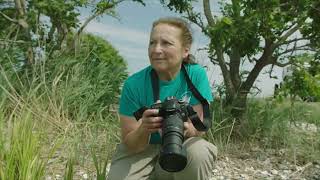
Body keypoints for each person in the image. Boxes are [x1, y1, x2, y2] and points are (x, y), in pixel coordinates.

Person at [107, 17, 217, 180]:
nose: (156, 49)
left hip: (180, 145)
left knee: (199, 152)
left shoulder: (196, 75)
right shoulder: (133, 84)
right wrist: (144, 128)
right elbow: (130, 143)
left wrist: (186, 128)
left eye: (166, 43)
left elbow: (199, 129)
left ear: (185, 50)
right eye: (152, 43)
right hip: (141, 150)